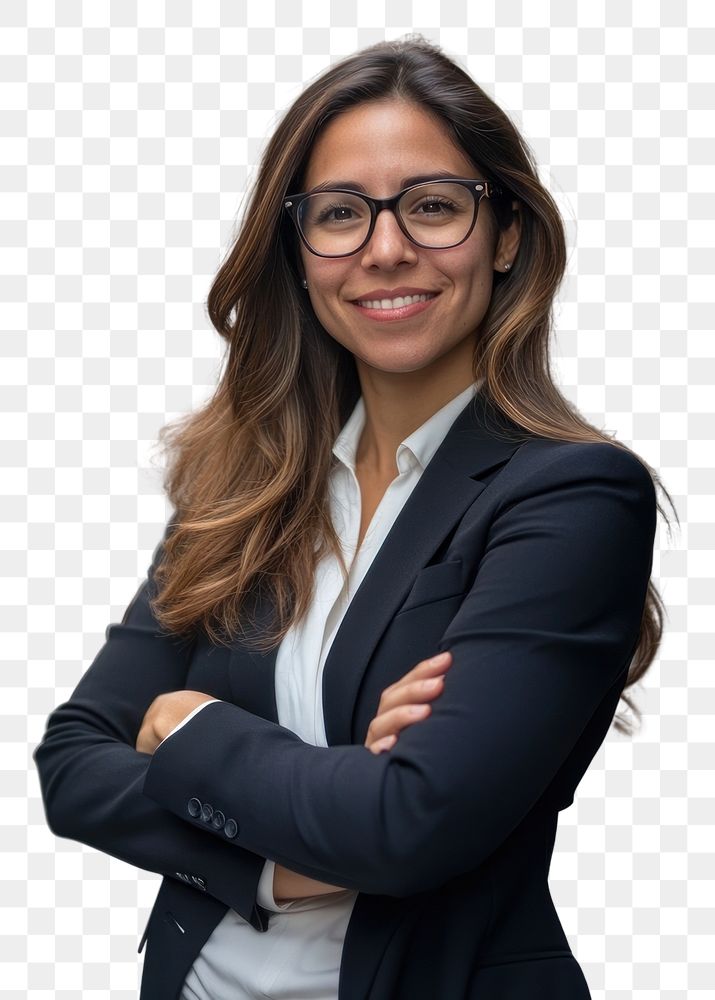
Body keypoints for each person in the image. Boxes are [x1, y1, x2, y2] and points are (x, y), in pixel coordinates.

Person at [33, 33, 674, 1000]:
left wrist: (189, 721)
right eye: (339, 214)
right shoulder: (242, 489)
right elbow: (75, 764)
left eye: (430, 207)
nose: (385, 249)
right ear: (298, 253)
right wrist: (280, 862)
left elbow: (406, 829)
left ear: (503, 234)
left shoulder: (571, 496)